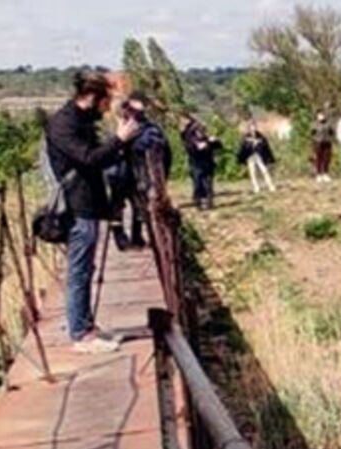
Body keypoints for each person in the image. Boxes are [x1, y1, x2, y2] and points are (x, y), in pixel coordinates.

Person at [44, 69, 138, 354]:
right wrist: (119, 139)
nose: (109, 107)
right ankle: (80, 334)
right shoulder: (64, 124)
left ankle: (85, 324)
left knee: (85, 268)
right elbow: (89, 158)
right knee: (80, 270)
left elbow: (98, 156)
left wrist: (120, 143)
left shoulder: (80, 120)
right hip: (76, 206)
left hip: (86, 204)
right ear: (93, 97)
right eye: (107, 100)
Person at [120, 91, 170, 250]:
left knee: (142, 208)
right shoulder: (121, 129)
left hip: (141, 173)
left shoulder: (149, 130)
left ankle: (143, 238)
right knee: (132, 208)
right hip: (126, 175)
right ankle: (129, 238)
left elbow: (159, 150)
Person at [181, 113, 219, 209]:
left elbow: (218, 146)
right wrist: (197, 147)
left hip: (208, 165)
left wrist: (214, 141)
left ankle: (209, 203)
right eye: (199, 131)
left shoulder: (206, 139)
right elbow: (190, 150)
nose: (201, 132)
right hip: (196, 165)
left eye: (203, 130)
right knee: (198, 184)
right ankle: (198, 202)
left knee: (209, 184)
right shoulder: (191, 140)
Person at [238, 120, 277, 194]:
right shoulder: (246, 137)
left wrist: (258, 143)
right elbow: (243, 148)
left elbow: (265, 146)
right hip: (250, 157)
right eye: (252, 127)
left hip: (259, 156)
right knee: (253, 172)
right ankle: (256, 188)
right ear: (249, 128)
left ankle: (271, 186)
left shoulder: (260, 136)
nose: (254, 128)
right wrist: (250, 144)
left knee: (265, 171)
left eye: (255, 127)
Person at [310, 110, 334, 183]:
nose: (321, 116)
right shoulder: (314, 124)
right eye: (319, 115)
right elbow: (312, 133)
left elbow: (332, 132)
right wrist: (314, 142)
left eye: (322, 115)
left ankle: (325, 174)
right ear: (317, 116)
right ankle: (319, 174)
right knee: (319, 159)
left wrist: (330, 139)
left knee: (327, 159)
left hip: (327, 143)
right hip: (318, 143)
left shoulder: (328, 124)